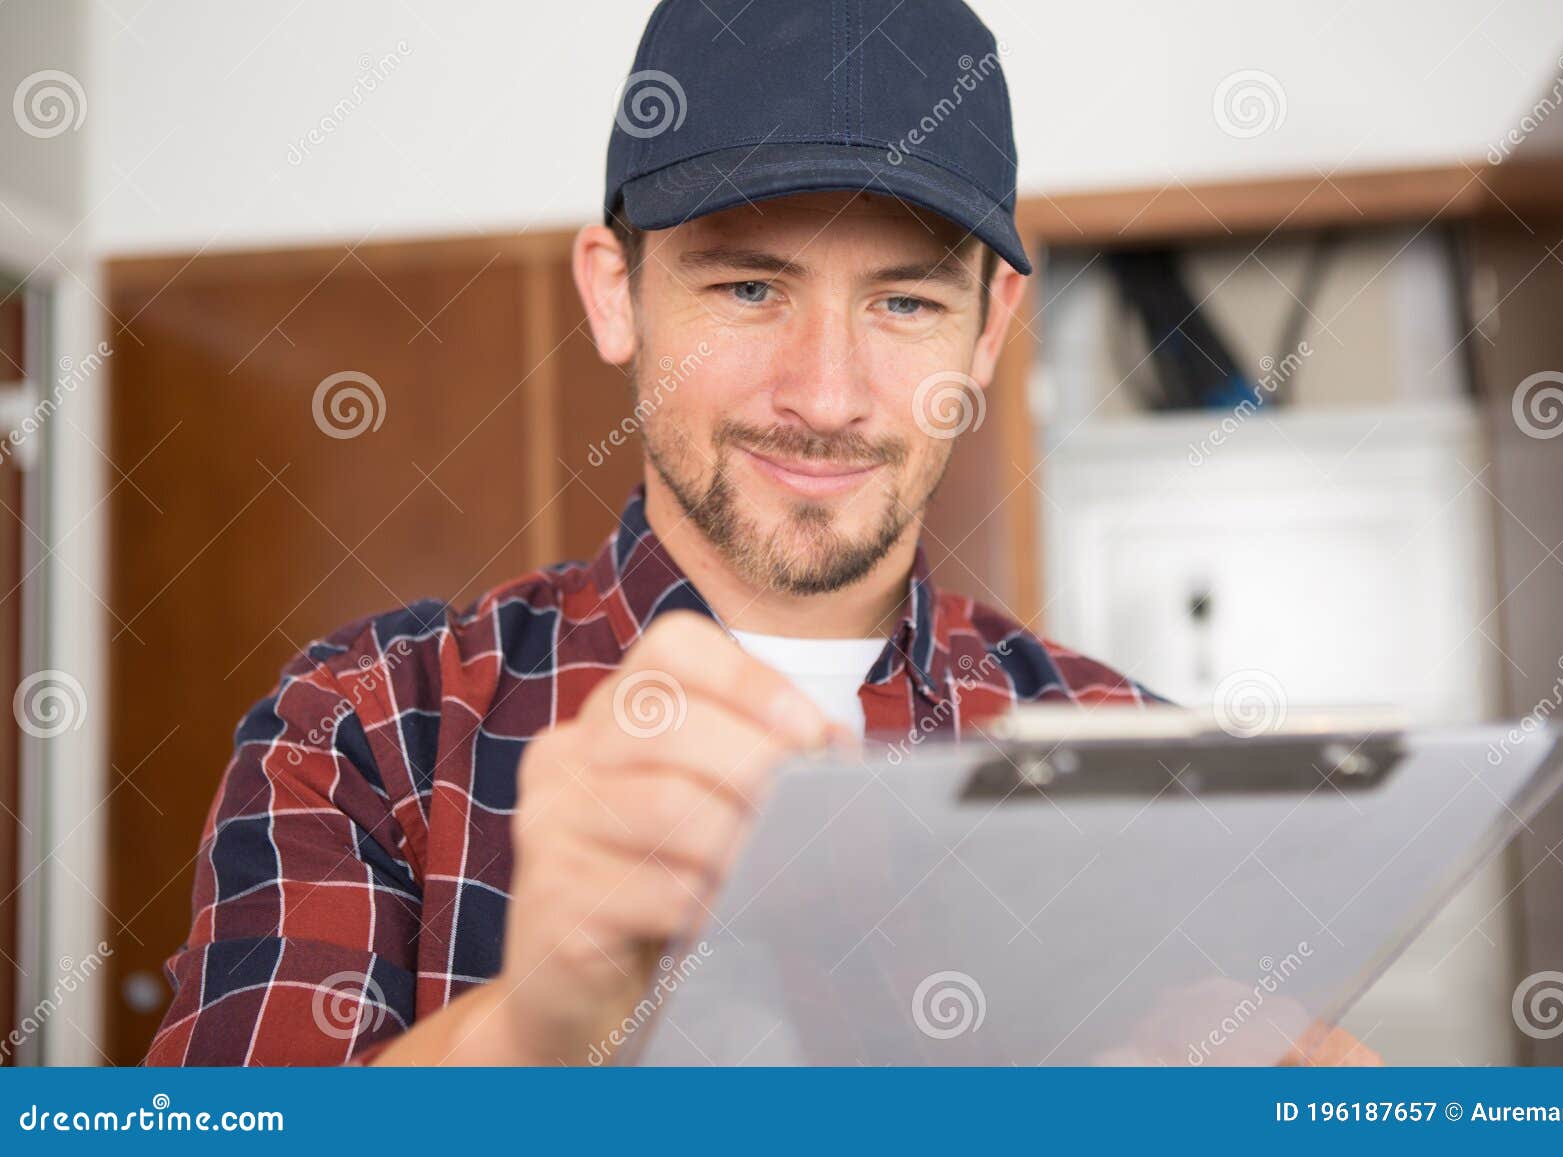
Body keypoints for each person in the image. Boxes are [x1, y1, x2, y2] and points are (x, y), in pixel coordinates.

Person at [143, 0, 1367, 1067]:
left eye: (903, 300)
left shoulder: (1143, 773)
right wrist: (531, 1037)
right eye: (747, 288)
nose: (825, 394)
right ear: (615, 291)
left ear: (989, 329)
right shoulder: (363, 733)